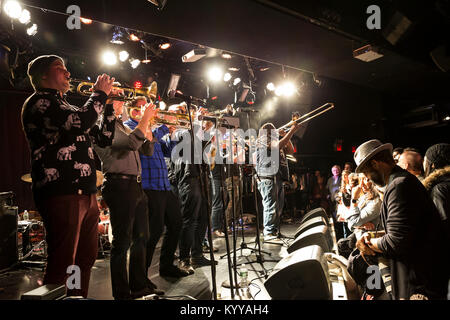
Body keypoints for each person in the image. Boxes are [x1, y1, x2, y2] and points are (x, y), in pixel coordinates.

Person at [21, 55, 114, 298]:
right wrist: (99, 95)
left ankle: (77, 297)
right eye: (60, 69)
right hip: (61, 190)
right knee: (63, 261)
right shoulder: (39, 102)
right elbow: (82, 120)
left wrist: (111, 106)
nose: (68, 74)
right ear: (43, 75)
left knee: (85, 258)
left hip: (85, 191)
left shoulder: (67, 106)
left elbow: (104, 137)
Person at [354, 139, 448, 300]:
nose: (367, 179)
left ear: (375, 164)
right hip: (419, 279)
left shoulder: (399, 185)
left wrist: (369, 242)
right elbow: (408, 229)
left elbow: (396, 241)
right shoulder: (401, 181)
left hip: (418, 284)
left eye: (366, 173)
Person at [94, 95, 158, 300]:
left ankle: (139, 286)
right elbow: (131, 144)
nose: (122, 105)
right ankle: (122, 294)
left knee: (142, 237)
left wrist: (147, 128)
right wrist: (145, 119)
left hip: (135, 185)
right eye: (116, 102)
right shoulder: (103, 127)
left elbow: (147, 150)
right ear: (105, 106)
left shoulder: (122, 125)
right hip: (119, 184)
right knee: (122, 242)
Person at [123, 98, 189, 279]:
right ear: (135, 111)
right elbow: (142, 143)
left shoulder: (152, 128)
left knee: (176, 224)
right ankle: (140, 277)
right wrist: (162, 128)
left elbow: (169, 152)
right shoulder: (130, 126)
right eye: (147, 108)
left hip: (163, 185)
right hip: (148, 185)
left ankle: (166, 266)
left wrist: (173, 133)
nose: (154, 112)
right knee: (152, 232)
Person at [255, 122, 300, 241]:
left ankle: (273, 230)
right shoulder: (262, 140)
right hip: (267, 177)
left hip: (277, 177)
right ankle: (268, 232)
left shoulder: (277, 141)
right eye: (273, 129)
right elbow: (276, 146)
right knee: (270, 205)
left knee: (278, 207)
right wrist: (292, 131)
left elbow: (290, 150)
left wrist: (286, 134)